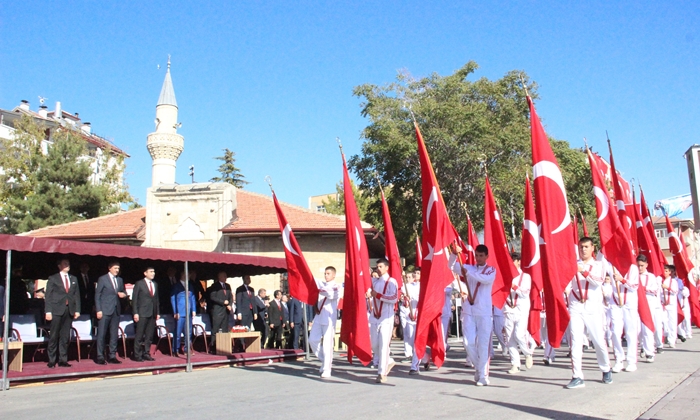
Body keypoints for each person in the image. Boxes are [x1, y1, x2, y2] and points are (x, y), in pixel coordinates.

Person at [565, 237, 612, 389]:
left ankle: (605, 368)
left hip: (592, 308)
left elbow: (598, 281)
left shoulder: (598, 265)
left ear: (593, 248)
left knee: (598, 341)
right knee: (576, 341)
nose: (583, 249)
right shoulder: (573, 264)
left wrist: (583, 271)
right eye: (581, 247)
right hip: (576, 306)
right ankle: (577, 376)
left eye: (586, 247)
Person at [450, 244, 496, 386]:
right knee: (468, 343)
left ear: (487, 256)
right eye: (477, 255)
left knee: (483, 345)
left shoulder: (491, 270)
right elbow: (451, 266)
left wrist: (467, 273)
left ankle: (483, 375)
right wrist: (453, 254)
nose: (479, 258)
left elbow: (484, 279)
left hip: (484, 312)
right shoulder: (468, 267)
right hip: (469, 311)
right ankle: (479, 368)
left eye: (481, 256)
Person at [45, 259, 81, 368]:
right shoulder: (53, 278)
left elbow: (76, 295)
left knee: (65, 336)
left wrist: (77, 310)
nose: (67, 265)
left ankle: (63, 359)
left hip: (68, 309)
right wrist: (48, 311)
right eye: (65, 264)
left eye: (68, 264)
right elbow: (48, 296)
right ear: (59, 266)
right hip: (56, 309)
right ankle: (51, 360)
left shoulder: (73, 279)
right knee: (54, 335)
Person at [368, 258, 399, 384]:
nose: (378, 269)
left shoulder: (391, 281)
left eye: (381, 267)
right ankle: (389, 361)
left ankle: (381, 373)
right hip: (375, 317)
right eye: (377, 267)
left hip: (386, 318)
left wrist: (378, 296)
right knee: (374, 346)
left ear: (387, 268)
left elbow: (394, 298)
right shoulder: (374, 282)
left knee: (383, 345)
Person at [503, 253, 533, 374]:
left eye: (514, 261)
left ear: (519, 262)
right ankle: (515, 364)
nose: (511, 263)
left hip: (521, 309)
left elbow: (525, 293)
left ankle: (527, 353)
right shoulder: (505, 276)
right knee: (509, 339)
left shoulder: (525, 276)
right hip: (508, 309)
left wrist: (514, 287)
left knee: (519, 335)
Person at [309, 266, 340, 378]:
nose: (326, 275)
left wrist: (317, 289)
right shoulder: (322, 284)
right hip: (318, 316)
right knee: (312, 340)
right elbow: (310, 278)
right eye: (325, 273)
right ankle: (325, 360)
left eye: (328, 273)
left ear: (333, 275)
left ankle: (327, 368)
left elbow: (329, 293)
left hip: (329, 318)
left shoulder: (336, 286)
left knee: (327, 344)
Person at [94, 261, 126, 364]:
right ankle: (100, 356)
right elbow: (97, 295)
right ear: (110, 268)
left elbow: (123, 291)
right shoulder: (103, 279)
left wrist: (123, 294)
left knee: (114, 334)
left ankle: (112, 355)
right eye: (115, 268)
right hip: (105, 310)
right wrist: (98, 309)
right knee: (102, 334)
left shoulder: (120, 280)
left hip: (116, 310)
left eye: (118, 268)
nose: (117, 270)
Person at [132, 267, 160, 362]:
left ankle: (146, 353)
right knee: (139, 335)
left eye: (154, 271)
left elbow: (156, 300)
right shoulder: (139, 284)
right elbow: (134, 299)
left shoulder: (155, 284)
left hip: (152, 313)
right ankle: (137, 354)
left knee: (149, 336)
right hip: (142, 313)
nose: (153, 273)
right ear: (145, 273)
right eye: (151, 272)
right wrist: (135, 312)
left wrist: (157, 312)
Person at [639, 256, 663, 361]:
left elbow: (654, 290)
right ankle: (643, 346)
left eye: (642, 266)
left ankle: (650, 352)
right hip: (637, 303)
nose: (640, 268)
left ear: (646, 265)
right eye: (638, 265)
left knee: (647, 328)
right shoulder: (634, 275)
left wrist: (643, 288)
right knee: (638, 329)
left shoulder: (651, 276)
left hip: (648, 304)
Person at [170, 272, 197, 355]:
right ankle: (176, 350)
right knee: (178, 332)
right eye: (187, 275)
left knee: (188, 333)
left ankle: (187, 349)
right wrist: (175, 312)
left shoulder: (190, 285)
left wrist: (194, 310)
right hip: (180, 312)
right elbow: (173, 299)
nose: (189, 277)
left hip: (188, 312)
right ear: (182, 276)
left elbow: (192, 297)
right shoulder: (176, 286)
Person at [208, 271, 233, 350]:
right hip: (217, 311)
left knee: (225, 329)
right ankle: (213, 345)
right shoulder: (215, 286)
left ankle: (224, 347)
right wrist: (222, 302)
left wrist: (230, 304)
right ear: (219, 277)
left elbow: (230, 297)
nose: (225, 278)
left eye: (226, 276)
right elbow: (212, 297)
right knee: (215, 329)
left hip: (226, 311)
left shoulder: (228, 286)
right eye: (224, 276)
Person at [660, 265, 679, 348]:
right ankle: (666, 335)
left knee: (672, 322)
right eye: (664, 271)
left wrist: (667, 288)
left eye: (666, 271)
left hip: (671, 304)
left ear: (670, 272)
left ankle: (672, 340)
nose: (665, 272)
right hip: (663, 304)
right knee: (664, 321)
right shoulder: (661, 280)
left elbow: (675, 291)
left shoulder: (673, 281)